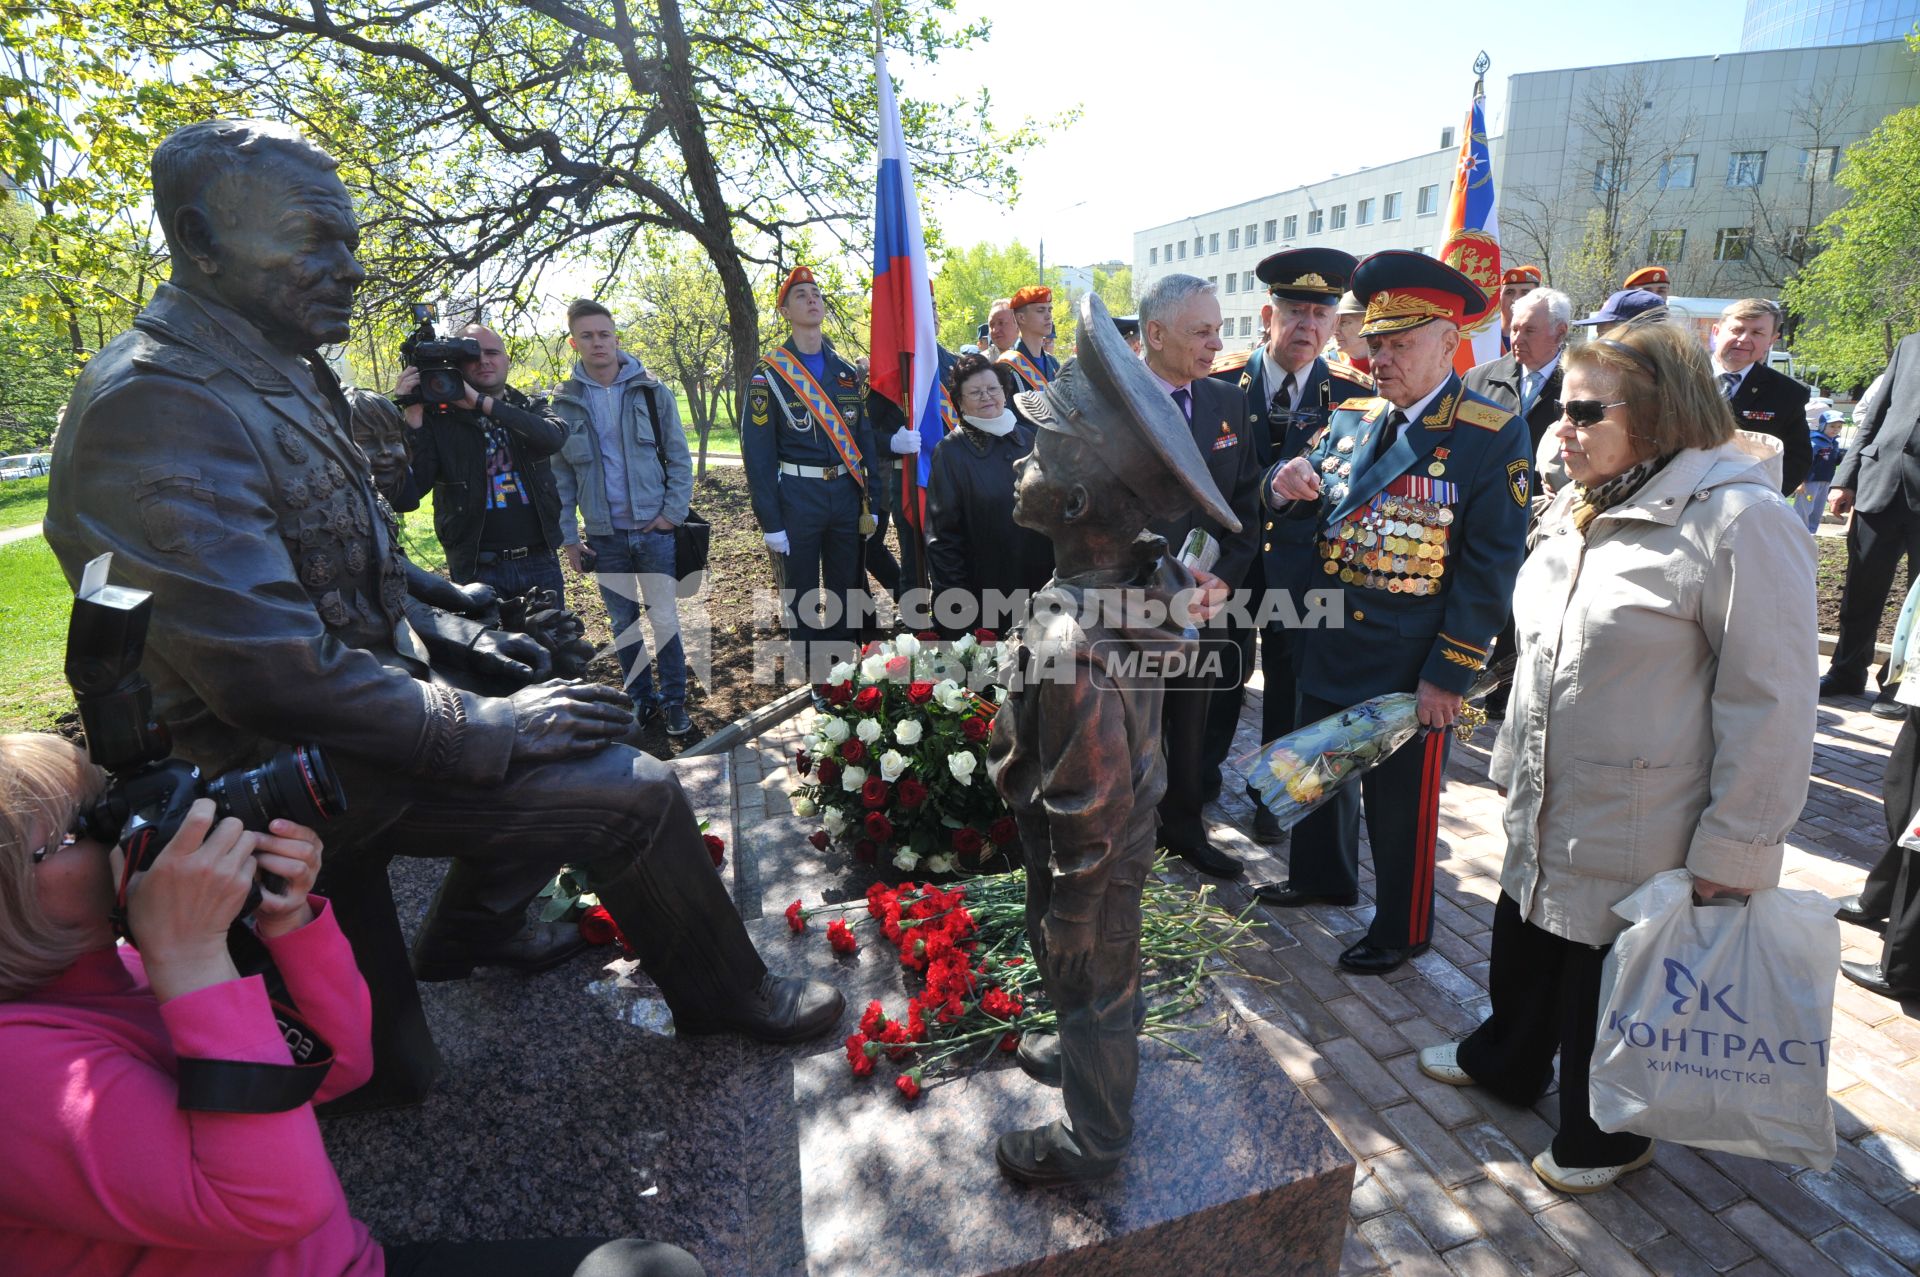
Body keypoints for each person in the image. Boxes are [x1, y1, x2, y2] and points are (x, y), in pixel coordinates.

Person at [44, 122, 844, 1097]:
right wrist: (487, 726)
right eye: (312, 240)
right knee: (401, 1061)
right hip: (269, 781)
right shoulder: (154, 402)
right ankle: (688, 983)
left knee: (572, 699)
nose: (348, 267)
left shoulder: (272, 368)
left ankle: (482, 928)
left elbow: (357, 552)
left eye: (347, 240)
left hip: (346, 721)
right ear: (201, 237)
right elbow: (271, 670)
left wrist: (473, 630)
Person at [0, 732, 708, 1277]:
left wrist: (286, 921)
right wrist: (191, 958)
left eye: (108, 806)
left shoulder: (120, 967)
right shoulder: (23, 1073)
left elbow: (336, 1068)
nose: (120, 834)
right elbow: (277, 1202)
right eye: (76, 830)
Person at [1418, 318, 1817, 1193]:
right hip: (1550, 786)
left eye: (1584, 410)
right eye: (1561, 408)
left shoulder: (1741, 520)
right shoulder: (1579, 501)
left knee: (1604, 974)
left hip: (1648, 813)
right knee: (1526, 935)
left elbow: (1776, 702)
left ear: (1662, 412)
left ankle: (1610, 1133)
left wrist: (1736, 851)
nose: (1561, 428)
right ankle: (1508, 1059)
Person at [987, 293, 1240, 1186]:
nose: (1024, 457)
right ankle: (1080, 1040)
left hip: (1088, 853)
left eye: (1042, 450)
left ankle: (1095, 1140)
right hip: (1111, 837)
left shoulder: (1073, 639)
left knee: (1091, 964)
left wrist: (1071, 905)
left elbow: (1085, 803)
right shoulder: (1136, 582)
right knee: (1095, 975)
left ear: (1080, 497)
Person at [1257, 251, 1531, 975]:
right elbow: (1293, 506)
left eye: (1400, 343)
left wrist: (1451, 673)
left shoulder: (1487, 432)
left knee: (1399, 805)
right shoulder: (1348, 418)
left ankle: (1403, 926)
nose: (1381, 358)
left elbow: (1489, 569)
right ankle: (1321, 875)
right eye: (1374, 343)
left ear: (1449, 340)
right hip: (1328, 636)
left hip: (1410, 658)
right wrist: (1278, 489)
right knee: (1318, 768)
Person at [1209, 248, 1373, 844]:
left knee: (1290, 686)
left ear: (1335, 324)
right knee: (1218, 675)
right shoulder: (1221, 385)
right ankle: (1199, 779)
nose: (1307, 326)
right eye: (1295, 311)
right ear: (1267, 315)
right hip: (1229, 565)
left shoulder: (1355, 396)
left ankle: (1271, 799)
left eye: (1320, 315)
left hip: (1306, 571)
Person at [1140, 273, 1259, 879]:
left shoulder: (1227, 402)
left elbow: (1244, 503)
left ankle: (1184, 829)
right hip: (1125, 606)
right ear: (1155, 334)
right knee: (1123, 724)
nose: (1216, 345)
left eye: (1218, 330)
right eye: (1201, 331)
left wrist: (1224, 582)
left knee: (1191, 724)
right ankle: (1124, 834)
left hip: (1203, 604)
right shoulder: (1104, 401)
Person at [550, 300, 696, 738]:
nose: (598, 343)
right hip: (604, 536)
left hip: (653, 531)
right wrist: (569, 538)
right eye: (588, 336)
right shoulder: (565, 402)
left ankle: (674, 702)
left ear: (616, 337)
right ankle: (642, 702)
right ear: (575, 343)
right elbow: (561, 477)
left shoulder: (653, 391)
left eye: (605, 334)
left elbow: (679, 457)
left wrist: (671, 515)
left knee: (665, 619)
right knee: (623, 624)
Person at [741, 267, 881, 676]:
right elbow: (758, 455)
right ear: (785, 310)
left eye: (816, 293)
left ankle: (841, 676)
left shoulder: (845, 373)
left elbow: (864, 436)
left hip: (845, 495)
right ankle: (816, 679)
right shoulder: (769, 375)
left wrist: (876, 496)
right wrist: (771, 521)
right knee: (801, 594)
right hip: (798, 498)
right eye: (801, 295)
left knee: (844, 589)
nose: (812, 299)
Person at [403, 323, 568, 601]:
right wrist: (413, 421)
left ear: (507, 359)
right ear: (457, 365)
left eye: (492, 352)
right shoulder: (439, 421)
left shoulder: (529, 407)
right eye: (471, 355)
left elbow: (553, 437)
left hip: (540, 561)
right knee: (487, 646)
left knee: (554, 643)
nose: (483, 361)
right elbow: (410, 493)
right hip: (477, 569)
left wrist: (482, 403)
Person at [1466, 286, 1572, 718]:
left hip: (1548, 521)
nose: (1516, 339)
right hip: (1487, 514)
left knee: (1527, 610)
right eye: (1513, 328)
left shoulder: (1579, 383)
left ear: (1560, 332)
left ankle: (1505, 694)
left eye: (1529, 330)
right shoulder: (1480, 379)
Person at [924, 351, 1053, 627]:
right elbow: (942, 539)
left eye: (992, 388)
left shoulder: (1029, 437)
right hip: (986, 596)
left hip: (1042, 586)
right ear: (960, 402)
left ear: (1004, 393)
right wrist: (956, 606)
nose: (987, 396)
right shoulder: (949, 452)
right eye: (976, 392)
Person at [1712, 299, 1811, 496]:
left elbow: (1796, 459)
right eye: (1736, 329)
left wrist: (1761, 498)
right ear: (1716, 331)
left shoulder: (1788, 393)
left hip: (1739, 502)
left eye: (1757, 333)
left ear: (1772, 340)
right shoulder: (1677, 377)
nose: (1743, 339)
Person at [997, 285, 1059, 392]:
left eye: (1049, 310)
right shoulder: (1007, 366)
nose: (1048, 316)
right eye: (1041, 310)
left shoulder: (1053, 363)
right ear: (1021, 318)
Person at [1797, 411, 1844, 532]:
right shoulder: (1815, 442)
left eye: (1839, 426)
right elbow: (1805, 461)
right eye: (1832, 426)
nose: (1836, 429)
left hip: (1825, 481)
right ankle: (1797, 531)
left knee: (1818, 509)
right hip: (1810, 482)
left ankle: (1811, 532)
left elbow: (1834, 461)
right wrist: (1800, 480)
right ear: (1823, 426)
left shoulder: (1834, 443)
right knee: (1805, 508)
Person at [1495, 264, 1541, 352]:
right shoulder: (1484, 338)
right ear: (1500, 297)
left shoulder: (1546, 342)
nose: (1515, 299)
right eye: (1509, 292)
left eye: (1525, 293)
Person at [1328, 291, 1370, 373]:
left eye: (1343, 323)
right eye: (1334, 322)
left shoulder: (1391, 363)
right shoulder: (1327, 363)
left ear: (1367, 324)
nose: (1335, 331)